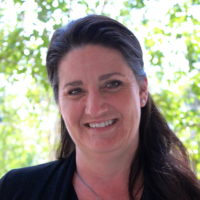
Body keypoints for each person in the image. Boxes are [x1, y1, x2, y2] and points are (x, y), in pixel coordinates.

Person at [0, 15, 200, 200]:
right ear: (59, 102)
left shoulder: (189, 194)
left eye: (112, 84)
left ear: (142, 90)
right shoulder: (16, 191)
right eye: (75, 91)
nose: (94, 108)